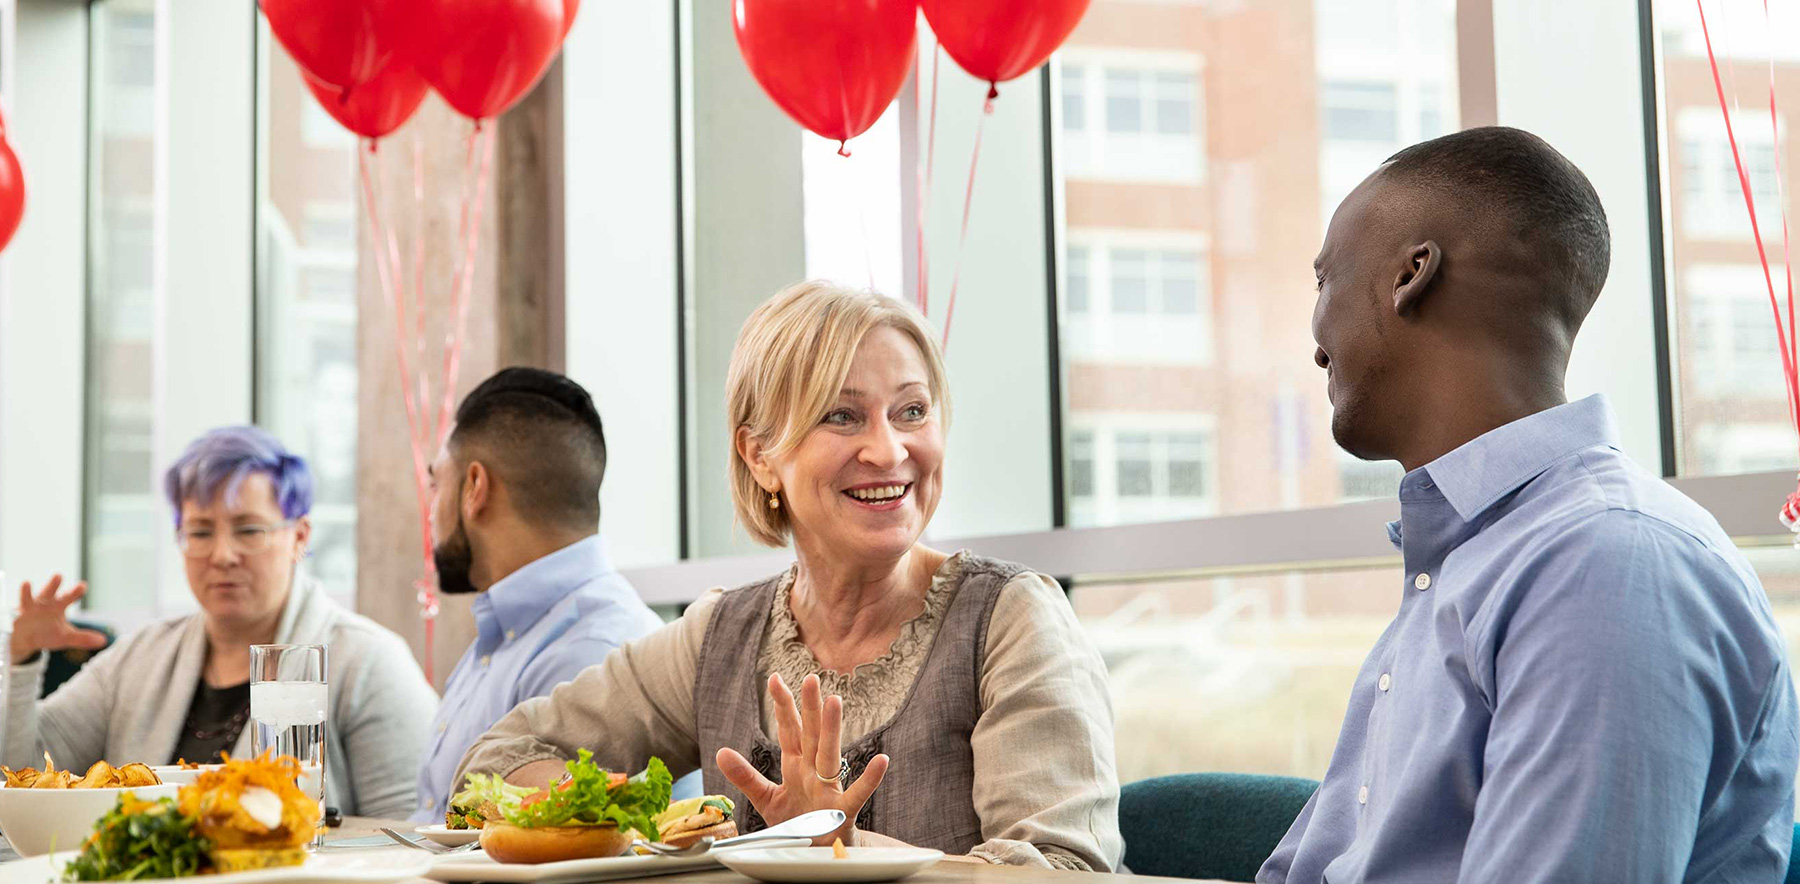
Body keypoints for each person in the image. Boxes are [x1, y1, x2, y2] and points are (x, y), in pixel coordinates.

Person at [1260, 127, 1798, 883]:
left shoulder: (1605, 567)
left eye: (1325, 282)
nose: (1316, 340)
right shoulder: (1470, 562)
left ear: (1410, 275)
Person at [456, 281, 1122, 870]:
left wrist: (843, 850)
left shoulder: (1011, 618)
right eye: (843, 416)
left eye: (912, 411)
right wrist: (629, 817)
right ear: (760, 456)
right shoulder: (719, 635)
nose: (889, 449)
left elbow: (1064, 869)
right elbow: (498, 759)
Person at [4, 426, 438, 819]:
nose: (223, 555)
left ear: (300, 537)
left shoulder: (370, 661)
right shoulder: (141, 656)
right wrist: (21, 660)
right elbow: (21, 775)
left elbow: (407, 836)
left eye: (249, 531)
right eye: (200, 532)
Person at [411, 367, 679, 823]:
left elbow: (577, 854)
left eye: (437, 484)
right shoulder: (504, 636)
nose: (430, 510)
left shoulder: (592, 652)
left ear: (475, 488)